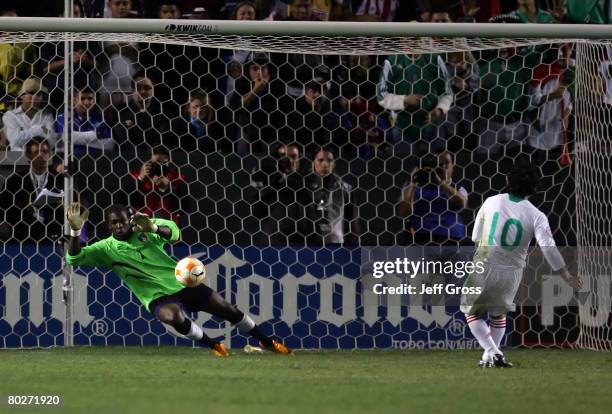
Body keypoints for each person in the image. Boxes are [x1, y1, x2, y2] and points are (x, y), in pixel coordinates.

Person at [65, 202, 293, 356]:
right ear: (108, 225)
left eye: (122, 221)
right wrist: (75, 233)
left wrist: (153, 226)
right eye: (114, 223)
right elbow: (74, 258)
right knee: (171, 316)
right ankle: (215, 346)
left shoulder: (144, 227)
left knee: (227, 308)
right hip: (155, 296)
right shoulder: (105, 249)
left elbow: (175, 233)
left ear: (129, 219)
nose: (119, 225)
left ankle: (266, 341)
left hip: (181, 282)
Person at [461, 161, 582, 368]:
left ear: (509, 181)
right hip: (512, 272)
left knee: (471, 312)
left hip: (484, 264)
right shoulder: (537, 215)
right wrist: (567, 277)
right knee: (498, 314)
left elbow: (474, 236)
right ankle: (489, 359)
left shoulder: (491, 201)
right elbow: (549, 249)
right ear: (534, 187)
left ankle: (493, 351)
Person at [0, 136, 65, 243]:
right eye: (36, 152)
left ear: (50, 154)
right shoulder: (15, 181)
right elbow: (4, 209)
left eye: (44, 151)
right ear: (29, 156)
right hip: (23, 238)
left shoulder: (59, 179)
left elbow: (74, 207)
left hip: (54, 236)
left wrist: (62, 206)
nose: (41, 155)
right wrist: (23, 210)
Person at [397, 151, 468, 245]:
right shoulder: (414, 187)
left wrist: (441, 183)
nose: (442, 166)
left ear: (452, 166)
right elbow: (403, 213)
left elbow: (462, 203)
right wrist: (412, 182)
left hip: (451, 239)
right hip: (421, 239)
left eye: (446, 162)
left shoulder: (458, 188)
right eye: (438, 163)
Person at [298, 147, 360, 245]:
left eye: (329, 160)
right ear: (313, 162)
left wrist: (352, 247)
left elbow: (352, 221)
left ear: (334, 163)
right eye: (321, 160)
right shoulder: (301, 187)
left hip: (336, 244)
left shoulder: (345, 189)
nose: (325, 164)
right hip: (309, 245)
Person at [129, 146, 190, 226]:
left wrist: (168, 188)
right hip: (141, 229)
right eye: (157, 163)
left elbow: (185, 208)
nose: (161, 167)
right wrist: (140, 179)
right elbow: (127, 203)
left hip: (168, 229)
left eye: (164, 163)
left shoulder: (177, 179)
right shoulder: (135, 177)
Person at [54, 86, 114, 155]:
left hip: (97, 159)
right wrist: (96, 135)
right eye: (82, 98)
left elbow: (110, 145)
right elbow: (66, 138)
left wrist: (77, 140)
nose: (86, 102)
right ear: (74, 100)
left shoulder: (99, 118)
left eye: (90, 98)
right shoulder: (64, 117)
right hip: (73, 160)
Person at [2, 78, 57, 152]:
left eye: (38, 94)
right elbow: (15, 140)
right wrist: (40, 129)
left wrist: (23, 134)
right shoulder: (10, 116)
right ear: (22, 95)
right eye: (31, 93)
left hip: (42, 159)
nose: (34, 97)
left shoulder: (47, 116)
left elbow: (52, 142)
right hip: (19, 160)